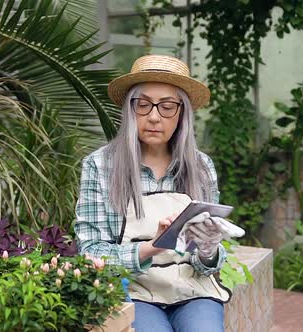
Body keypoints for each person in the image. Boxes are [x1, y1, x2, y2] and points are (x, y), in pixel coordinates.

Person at [74, 54, 231, 332]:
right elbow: (91, 253)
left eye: (167, 106)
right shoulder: (100, 166)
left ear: (182, 113)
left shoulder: (201, 167)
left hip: (192, 291)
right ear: (129, 110)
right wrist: (155, 245)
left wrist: (208, 249)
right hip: (130, 289)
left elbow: (205, 264)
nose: (154, 116)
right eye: (143, 105)